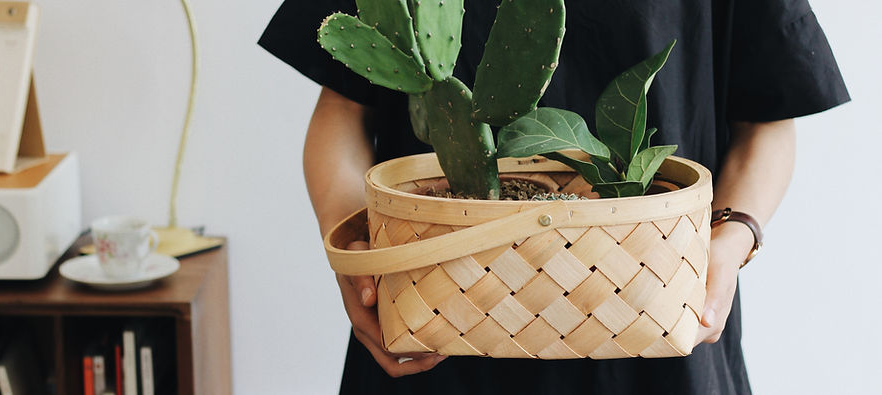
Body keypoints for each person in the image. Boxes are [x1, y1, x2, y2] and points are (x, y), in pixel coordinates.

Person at [259, 0, 849, 393]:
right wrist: (354, 255)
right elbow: (341, 115)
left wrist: (733, 237)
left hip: (660, 324)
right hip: (435, 330)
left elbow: (768, 118)